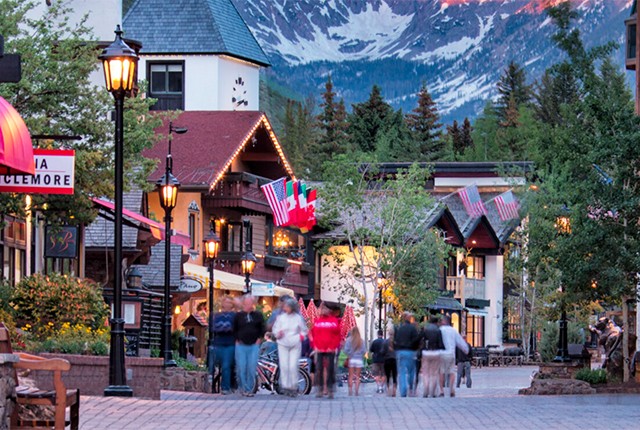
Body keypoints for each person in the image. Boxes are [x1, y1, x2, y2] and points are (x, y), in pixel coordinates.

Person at [272, 297, 308, 397]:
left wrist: (301, 336)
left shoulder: (298, 318)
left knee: (293, 365)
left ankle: (293, 386)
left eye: (287, 306)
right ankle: (285, 386)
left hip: (295, 343)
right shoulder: (281, 318)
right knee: (284, 365)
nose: (285, 308)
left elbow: (304, 330)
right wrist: (277, 334)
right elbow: (275, 329)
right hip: (283, 343)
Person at [233, 295, 265, 397]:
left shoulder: (258, 315)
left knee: (251, 368)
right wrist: (236, 341)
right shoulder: (238, 316)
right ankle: (243, 388)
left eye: (251, 303)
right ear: (243, 304)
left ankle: (249, 389)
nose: (249, 305)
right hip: (241, 345)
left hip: (253, 346)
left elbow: (262, 329)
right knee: (241, 368)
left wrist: (258, 340)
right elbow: (234, 329)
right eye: (247, 303)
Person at [309, 302, 341, 399]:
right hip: (319, 349)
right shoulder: (317, 322)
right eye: (322, 309)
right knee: (319, 369)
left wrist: (334, 346)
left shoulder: (334, 321)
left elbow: (337, 335)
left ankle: (330, 390)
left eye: (325, 309)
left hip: (330, 349)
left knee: (330, 369)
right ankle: (320, 389)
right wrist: (315, 346)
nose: (323, 310)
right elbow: (313, 335)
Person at [209, 296, 236, 395]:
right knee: (213, 364)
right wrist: (226, 327)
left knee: (226, 365)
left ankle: (225, 387)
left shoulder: (234, 316)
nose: (227, 304)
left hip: (230, 344)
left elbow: (234, 328)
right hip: (218, 343)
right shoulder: (216, 315)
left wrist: (223, 327)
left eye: (229, 302)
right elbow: (213, 328)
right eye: (226, 302)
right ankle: (212, 384)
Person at [439, 315, 469, 397]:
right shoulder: (453, 331)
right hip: (451, 353)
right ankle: (451, 389)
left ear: (443, 322)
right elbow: (460, 342)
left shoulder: (440, 330)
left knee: (441, 372)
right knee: (451, 372)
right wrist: (466, 350)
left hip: (442, 353)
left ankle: (441, 390)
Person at [394, 312, 421, 397]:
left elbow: (396, 340)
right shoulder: (413, 329)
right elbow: (416, 340)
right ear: (410, 318)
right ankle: (411, 387)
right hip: (410, 351)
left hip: (401, 351)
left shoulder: (400, 329)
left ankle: (403, 390)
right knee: (411, 370)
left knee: (402, 371)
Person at [421, 316, 445, 398]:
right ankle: (433, 392)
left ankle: (426, 389)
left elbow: (421, 339)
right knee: (434, 374)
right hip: (435, 352)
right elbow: (441, 343)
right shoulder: (438, 330)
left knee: (426, 373)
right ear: (436, 322)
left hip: (426, 352)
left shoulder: (425, 329)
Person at [343, 326, 366, 396]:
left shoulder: (349, 340)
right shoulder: (361, 340)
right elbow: (364, 351)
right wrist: (360, 355)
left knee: (350, 376)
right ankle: (356, 391)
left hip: (351, 359)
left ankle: (350, 391)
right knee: (357, 376)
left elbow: (345, 350)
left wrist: (349, 354)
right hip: (359, 359)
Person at [369, 329, 386, 394]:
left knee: (376, 374)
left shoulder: (374, 342)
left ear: (377, 334)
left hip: (376, 359)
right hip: (384, 360)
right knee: (384, 374)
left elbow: (371, 350)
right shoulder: (385, 342)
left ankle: (379, 386)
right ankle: (381, 386)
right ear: (382, 334)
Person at [382, 330, 397, 397]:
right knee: (394, 376)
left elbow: (382, 351)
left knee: (387, 376)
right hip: (394, 360)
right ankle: (394, 391)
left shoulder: (385, 342)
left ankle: (388, 390)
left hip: (387, 360)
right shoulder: (396, 342)